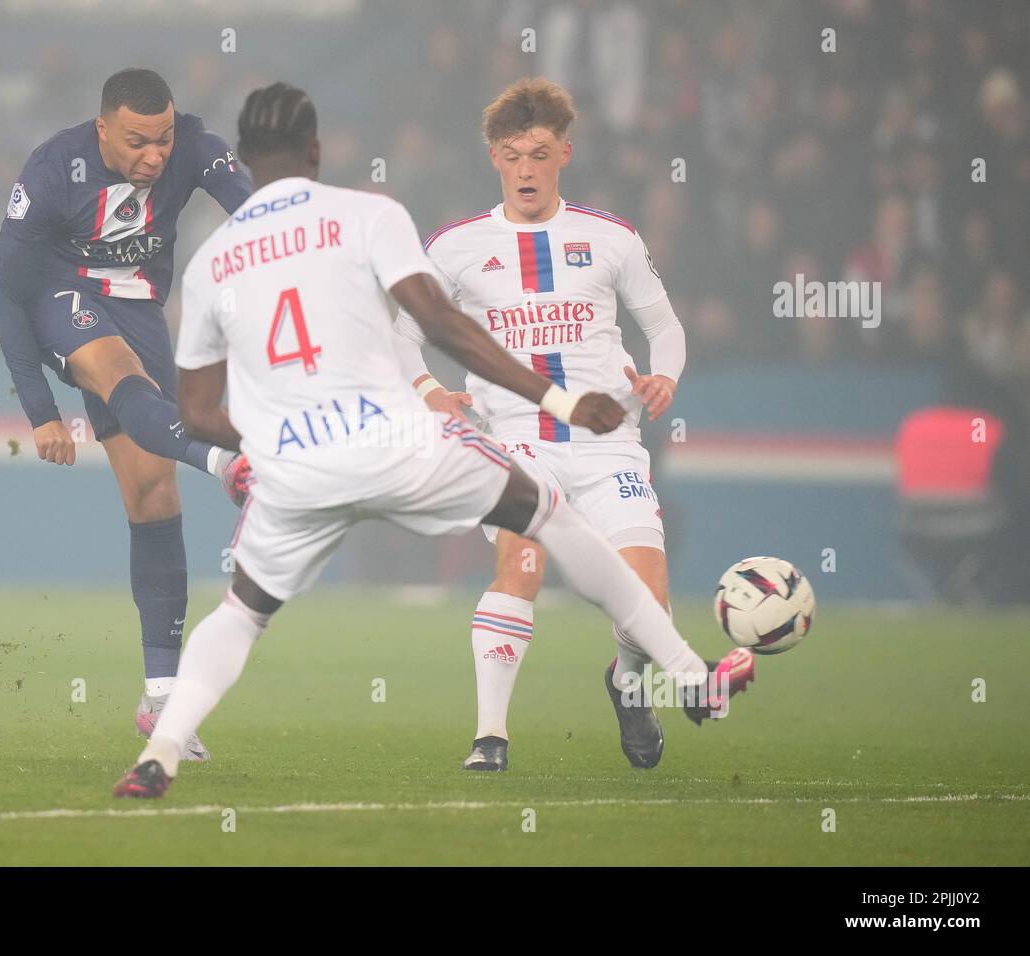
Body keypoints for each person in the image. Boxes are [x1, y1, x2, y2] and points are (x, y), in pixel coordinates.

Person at [113, 82, 753, 799]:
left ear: (242, 161)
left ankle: (162, 751)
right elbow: (440, 326)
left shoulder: (212, 263)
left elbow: (196, 413)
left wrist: (260, 446)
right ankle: (692, 679)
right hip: (395, 444)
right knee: (545, 514)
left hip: (300, 464)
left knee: (242, 611)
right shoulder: (368, 215)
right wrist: (556, 396)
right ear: (317, 151)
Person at [393, 78, 688, 771]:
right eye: (512, 154)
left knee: (649, 602)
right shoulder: (457, 247)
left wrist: (663, 375)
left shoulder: (611, 237)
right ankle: (490, 737)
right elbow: (401, 333)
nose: (526, 168)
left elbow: (664, 327)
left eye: (540, 153)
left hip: (607, 442)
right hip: (515, 441)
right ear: (494, 158)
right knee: (518, 567)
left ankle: (627, 684)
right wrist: (432, 388)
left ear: (565, 154)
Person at [0, 68, 253, 758]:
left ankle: (162, 701)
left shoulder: (193, 146)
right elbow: (6, 295)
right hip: (61, 297)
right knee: (118, 374)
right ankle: (227, 464)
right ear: (104, 127)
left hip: (137, 307)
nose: (155, 156)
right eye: (138, 141)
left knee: (151, 493)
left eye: (163, 138)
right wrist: (42, 410)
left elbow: (255, 210)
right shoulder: (53, 171)